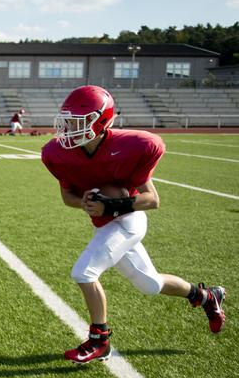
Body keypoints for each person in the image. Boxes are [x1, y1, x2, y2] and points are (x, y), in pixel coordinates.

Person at [41, 85, 226, 364]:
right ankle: (205, 296)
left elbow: (152, 199)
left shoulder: (133, 145)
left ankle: (99, 341)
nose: (69, 128)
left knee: (84, 273)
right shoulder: (58, 153)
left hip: (129, 221)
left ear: (101, 121)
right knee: (150, 285)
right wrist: (85, 203)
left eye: (78, 122)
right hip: (104, 224)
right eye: (68, 120)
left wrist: (111, 205)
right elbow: (68, 196)